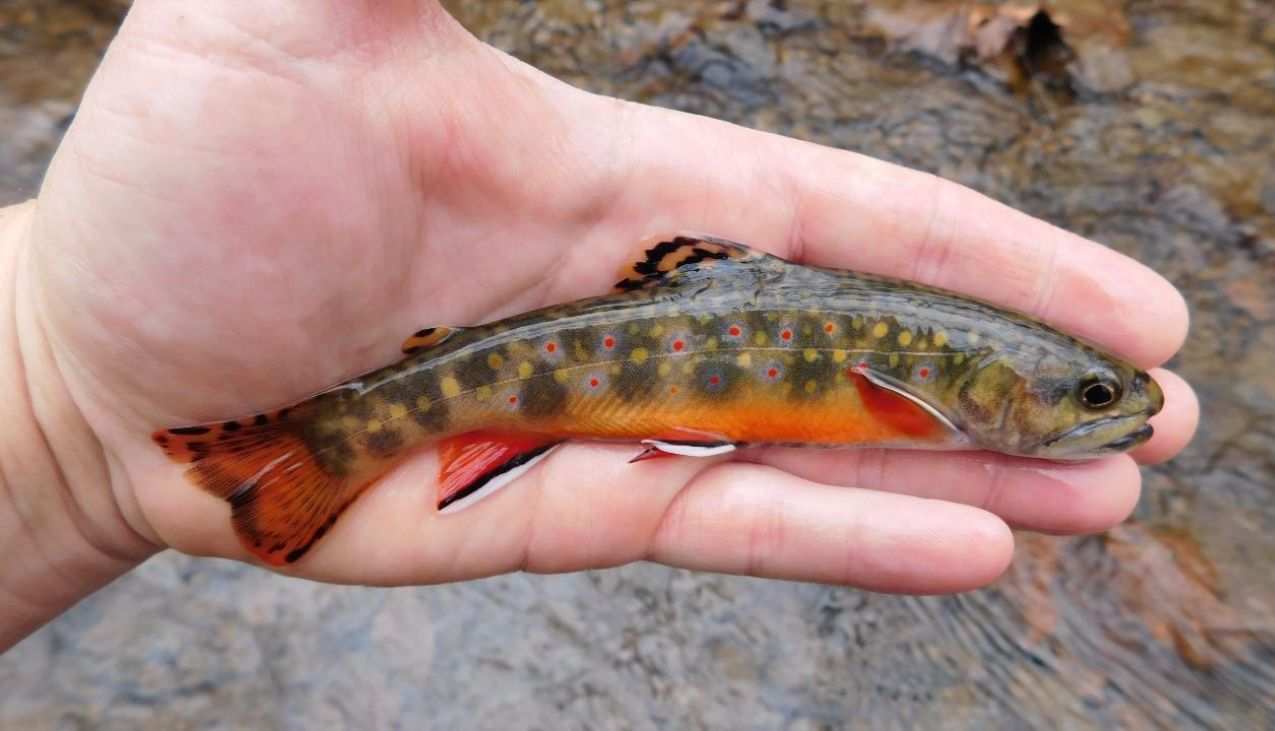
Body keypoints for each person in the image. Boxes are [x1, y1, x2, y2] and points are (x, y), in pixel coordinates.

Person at [0, 1, 1197, 652]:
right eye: (1093, 396)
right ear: (983, 382)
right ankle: (319, 444)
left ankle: (308, 445)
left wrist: (59, 413)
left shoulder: (945, 361)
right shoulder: (928, 388)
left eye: (1097, 398)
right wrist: (53, 383)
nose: (1120, 411)